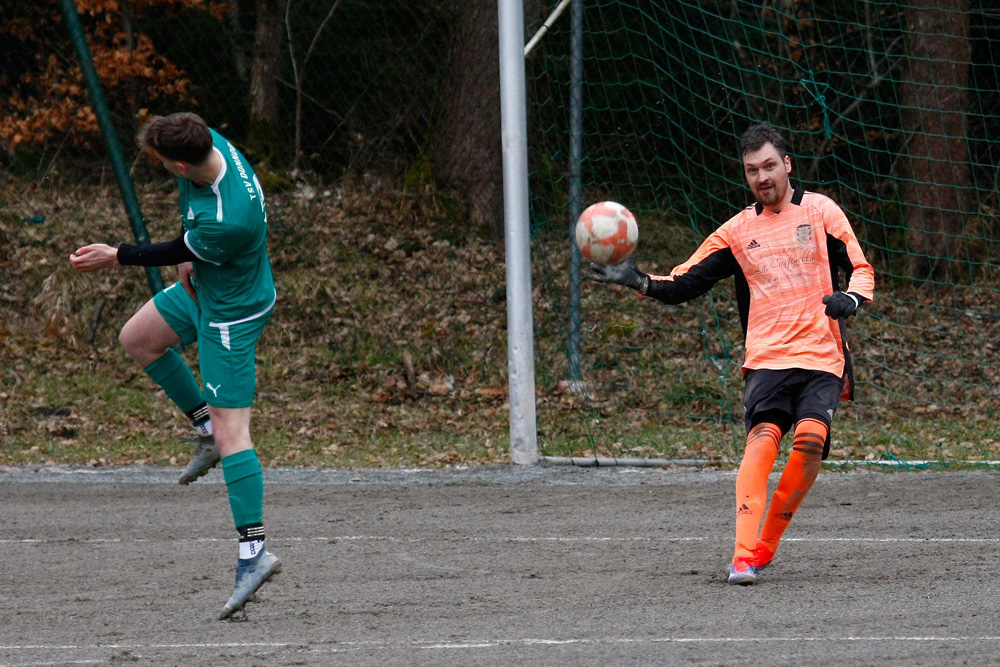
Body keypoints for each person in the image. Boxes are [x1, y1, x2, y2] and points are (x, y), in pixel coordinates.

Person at [591, 122, 875, 585]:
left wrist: (853, 299)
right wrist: (638, 280)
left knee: (808, 443)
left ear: (787, 165)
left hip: (823, 355)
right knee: (762, 443)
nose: (761, 177)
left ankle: (765, 547)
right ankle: (743, 557)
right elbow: (685, 280)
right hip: (766, 360)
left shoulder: (821, 212)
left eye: (768, 166)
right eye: (751, 171)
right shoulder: (738, 232)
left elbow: (860, 267)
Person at [69, 112, 280, 617]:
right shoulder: (210, 142)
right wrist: (189, 253)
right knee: (138, 338)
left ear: (181, 164)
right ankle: (203, 428)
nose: (163, 169)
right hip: (205, 284)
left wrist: (116, 255)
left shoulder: (232, 217)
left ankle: (254, 554)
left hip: (231, 311)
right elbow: (187, 240)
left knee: (237, 436)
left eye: (164, 164)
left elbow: (178, 245)